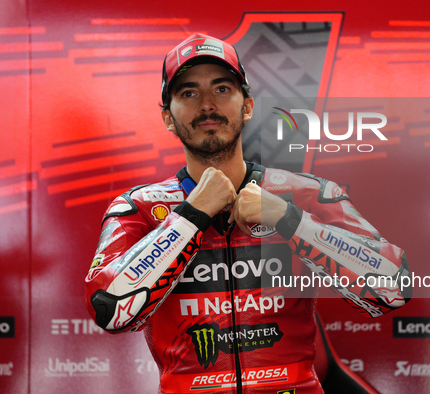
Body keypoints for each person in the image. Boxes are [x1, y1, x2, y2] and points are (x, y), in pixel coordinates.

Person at [85, 33, 411, 394]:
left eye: (222, 89)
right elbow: (109, 309)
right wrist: (191, 215)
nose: (207, 104)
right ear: (168, 117)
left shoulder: (308, 194)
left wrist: (288, 219)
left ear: (248, 106)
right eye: (188, 93)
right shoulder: (137, 209)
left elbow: (392, 288)